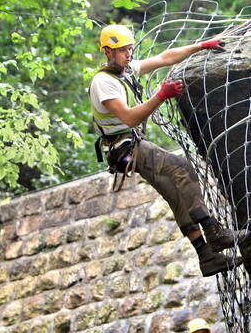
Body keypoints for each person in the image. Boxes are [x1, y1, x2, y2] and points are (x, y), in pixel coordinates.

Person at [89, 24, 242, 277]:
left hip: (130, 145)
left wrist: (201, 46)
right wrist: (162, 95)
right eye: (122, 50)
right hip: (126, 147)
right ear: (107, 51)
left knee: (175, 193)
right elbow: (129, 118)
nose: (128, 54)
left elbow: (163, 58)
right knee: (181, 168)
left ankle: (206, 256)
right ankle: (213, 230)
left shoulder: (126, 71)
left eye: (130, 48)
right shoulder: (103, 82)